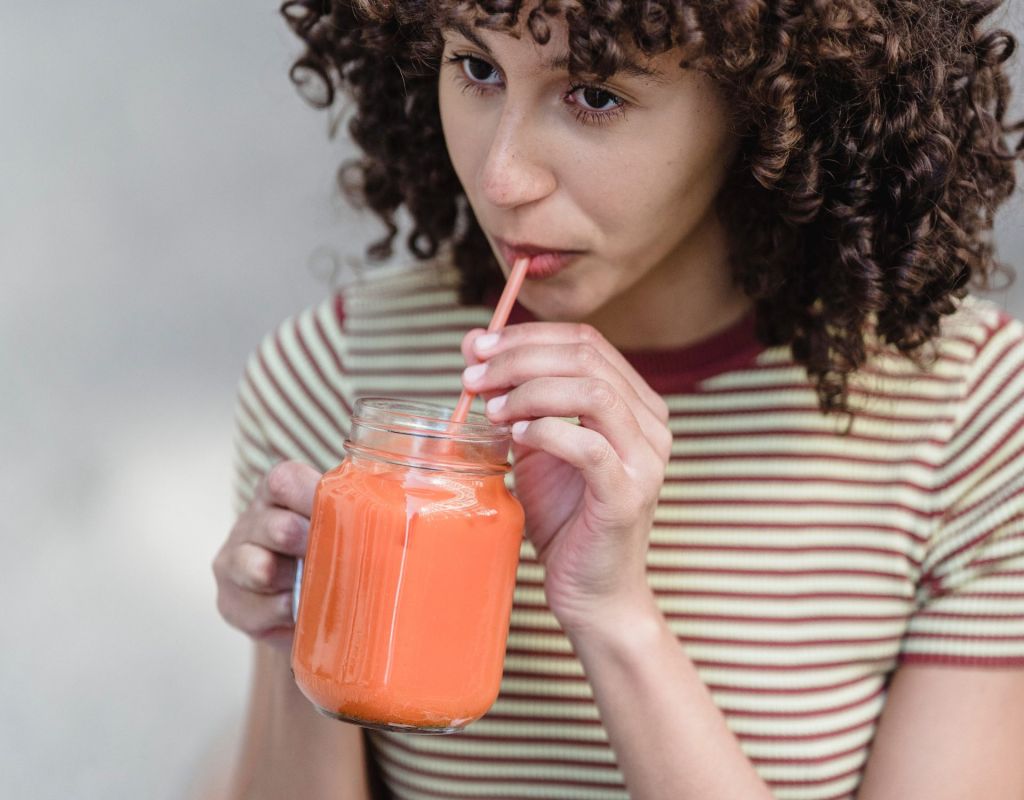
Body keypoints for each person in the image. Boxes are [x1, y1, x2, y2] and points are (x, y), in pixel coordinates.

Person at [211, 1, 1024, 797]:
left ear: (771, 98)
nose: (503, 177)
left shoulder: (973, 419)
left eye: (594, 95)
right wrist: (303, 640)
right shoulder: (339, 374)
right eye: (478, 67)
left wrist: (616, 620)